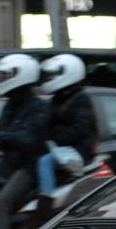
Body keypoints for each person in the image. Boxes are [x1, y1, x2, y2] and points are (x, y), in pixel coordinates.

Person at [0, 53, 50, 229]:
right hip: (10, 161)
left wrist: (3, 137)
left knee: (2, 202)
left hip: (30, 166)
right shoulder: (10, 105)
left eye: (4, 76)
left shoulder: (38, 107)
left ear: (20, 75)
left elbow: (30, 139)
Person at [36, 54, 98, 196]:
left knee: (45, 162)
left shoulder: (81, 100)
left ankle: (46, 200)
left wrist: (53, 133)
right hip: (60, 148)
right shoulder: (57, 99)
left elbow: (77, 130)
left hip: (79, 150)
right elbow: (45, 124)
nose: (50, 79)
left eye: (54, 75)